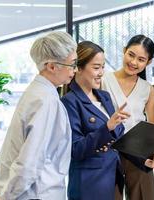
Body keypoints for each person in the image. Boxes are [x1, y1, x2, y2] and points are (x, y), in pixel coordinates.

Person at [0, 31, 77, 200]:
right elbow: (30, 160)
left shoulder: (39, 93)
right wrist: (6, 196)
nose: (75, 70)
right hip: (35, 193)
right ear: (51, 66)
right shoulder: (44, 100)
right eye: (72, 65)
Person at [61, 41, 131, 200]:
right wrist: (107, 127)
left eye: (103, 67)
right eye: (96, 67)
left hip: (113, 178)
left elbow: (119, 138)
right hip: (88, 185)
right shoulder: (69, 102)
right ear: (78, 68)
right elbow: (75, 149)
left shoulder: (104, 97)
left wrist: (144, 160)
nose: (101, 73)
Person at [101, 34, 154, 200]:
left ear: (148, 62)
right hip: (108, 151)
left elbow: (153, 128)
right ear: (124, 51)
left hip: (138, 154)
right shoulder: (103, 80)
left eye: (141, 59)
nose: (134, 62)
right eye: (131, 55)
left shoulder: (148, 89)